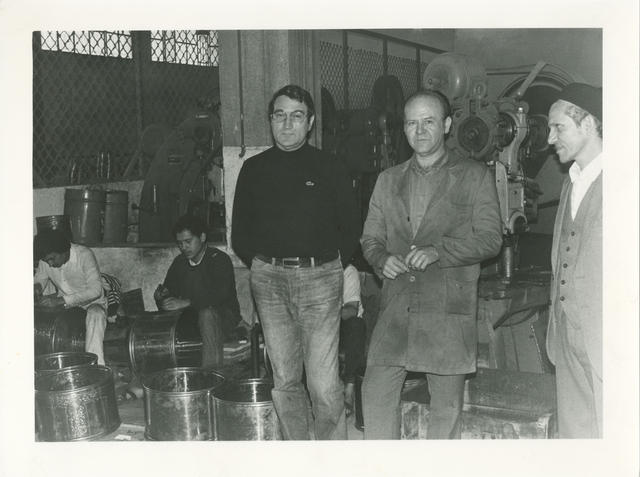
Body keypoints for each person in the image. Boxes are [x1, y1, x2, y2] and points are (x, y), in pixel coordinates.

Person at [360, 89, 502, 439]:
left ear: (447, 125)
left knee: (445, 413)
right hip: (396, 312)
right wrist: (381, 259)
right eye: (412, 123)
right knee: (375, 396)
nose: (420, 131)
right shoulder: (388, 179)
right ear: (403, 128)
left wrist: (440, 251)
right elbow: (370, 239)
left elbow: (491, 239)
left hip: (447, 311)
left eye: (429, 122)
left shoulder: (474, 176)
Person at [232, 84, 360, 440]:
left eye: (296, 116)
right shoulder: (253, 169)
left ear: (311, 122)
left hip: (320, 279)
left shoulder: (329, 167)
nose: (287, 124)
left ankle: (330, 456)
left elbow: (351, 227)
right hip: (269, 282)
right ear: (270, 120)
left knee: (322, 381)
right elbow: (239, 232)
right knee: (285, 379)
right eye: (280, 115)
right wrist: (263, 266)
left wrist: (329, 266)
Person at [545, 83, 602, 438]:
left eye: (559, 127)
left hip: (608, 337)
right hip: (566, 333)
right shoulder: (570, 183)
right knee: (576, 435)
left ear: (589, 124)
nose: (550, 139)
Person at [155, 214, 243, 369]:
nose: (184, 247)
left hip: (223, 316)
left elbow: (219, 295)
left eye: (188, 241)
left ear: (202, 237)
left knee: (207, 314)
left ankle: (211, 375)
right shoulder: (179, 262)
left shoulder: (219, 259)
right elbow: (170, 291)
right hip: (191, 317)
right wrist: (163, 298)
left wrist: (187, 302)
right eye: (180, 243)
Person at [34, 229, 108, 365]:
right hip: (66, 307)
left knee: (96, 314)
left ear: (64, 250)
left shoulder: (84, 255)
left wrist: (60, 300)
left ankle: (96, 366)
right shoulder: (47, 259)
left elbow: (96, 290)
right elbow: (40, 279)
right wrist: (36, 288)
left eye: (52, 259)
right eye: (46, 260)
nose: (50, 264)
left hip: (92, 304)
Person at [340, 263, 366, 416]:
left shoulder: (348, 270)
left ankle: (349, 390)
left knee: (356, 325)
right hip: (319, 325)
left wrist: (325, 312)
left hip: (342, 324)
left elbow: (351, 310)